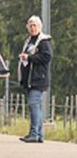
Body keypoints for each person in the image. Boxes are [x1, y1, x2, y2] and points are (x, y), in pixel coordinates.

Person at [18, 15, 52, 143]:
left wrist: (29, 57)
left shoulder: (44, 41)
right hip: (29, 79)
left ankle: (34, 133)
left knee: (33, 104)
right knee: (35, 106)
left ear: (39, 27)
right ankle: (39, 135)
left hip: (38, 78)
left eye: (35, 25)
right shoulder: (28, 41)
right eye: (30, 26)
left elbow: (47, 57)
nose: (32, 28)